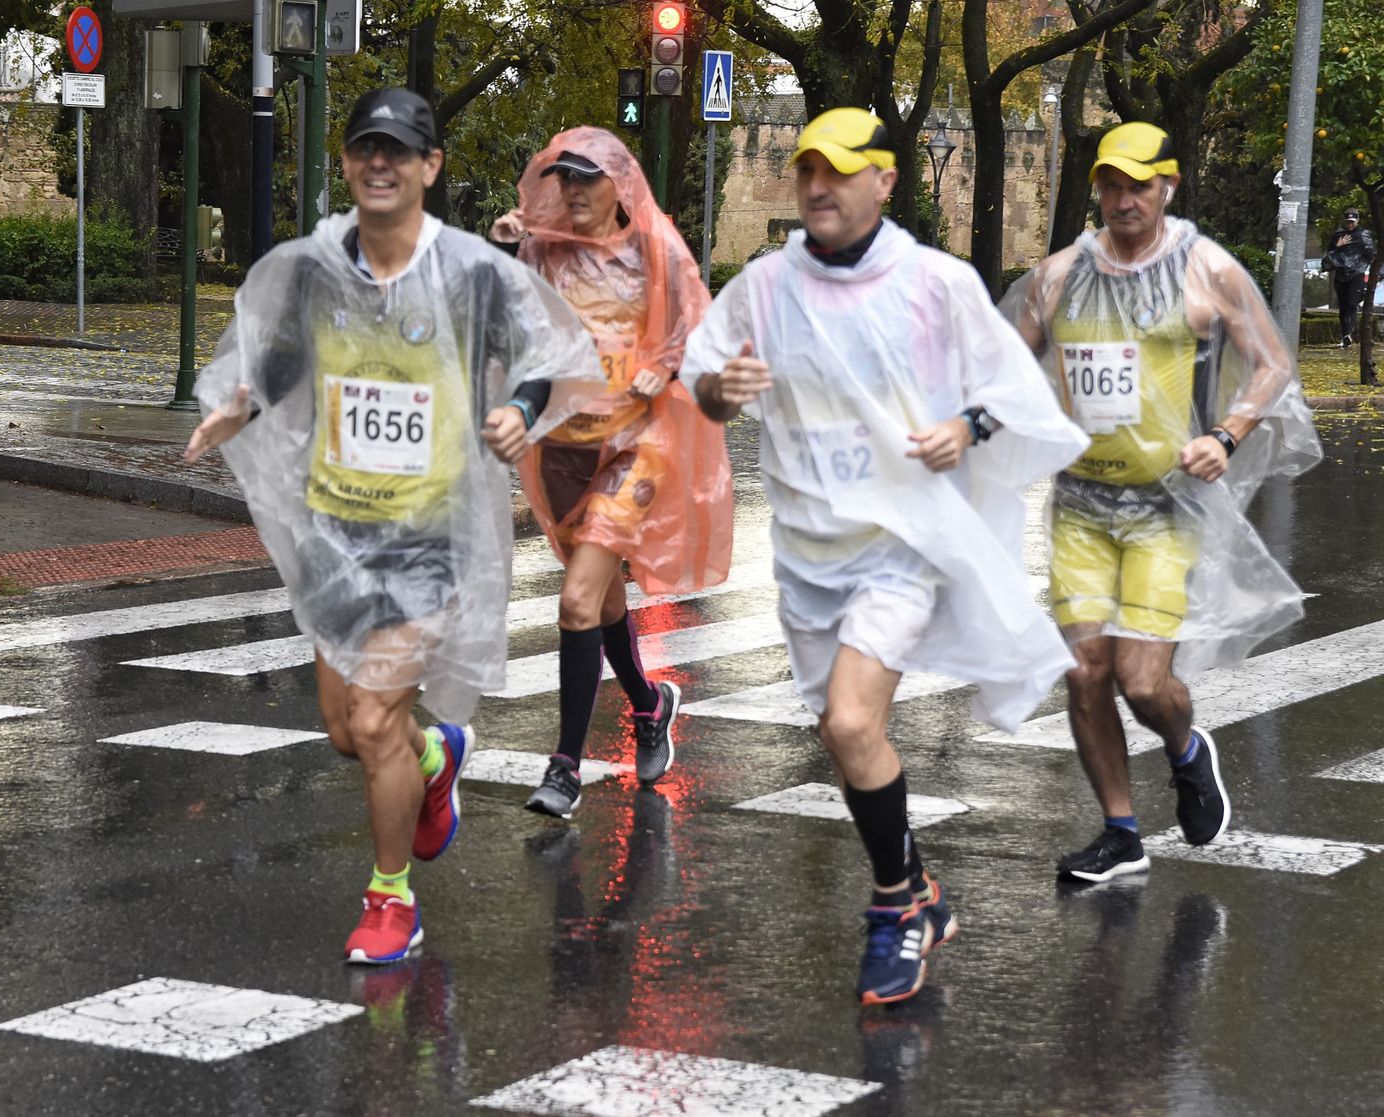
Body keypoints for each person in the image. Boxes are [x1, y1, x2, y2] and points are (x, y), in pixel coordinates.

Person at [184, 88, 603, 965]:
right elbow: (286, 355)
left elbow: (549, 355)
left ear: (430, 167)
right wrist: (245, 403)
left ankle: (391, 900)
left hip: (428, 537)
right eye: (366, 149)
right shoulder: (319, 267)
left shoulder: (471, 274)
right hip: (336, 533)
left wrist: (521, 410)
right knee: (349, 731)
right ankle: (438, 757)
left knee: (374, 720)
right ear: (347, 164)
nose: (382, 164)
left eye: (400, 151)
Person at [683, 108, 1088, 1005]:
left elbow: (1011, 388)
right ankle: (919, 887)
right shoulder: (761, 287)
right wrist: (720, 388)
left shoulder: (935, 282)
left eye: (837, 170)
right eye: (805, 172)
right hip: (807, 551)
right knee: (841, 730)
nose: (818, 186)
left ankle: (897, 909)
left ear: (884, 181)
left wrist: (965, 426)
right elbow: (704, 388)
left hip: (903, 542)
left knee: (855, 722)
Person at [1007, 122, 1321, 886]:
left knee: (1143, 683)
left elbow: (1272, 362)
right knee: (1084, 673)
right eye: (1110, 186)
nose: (1121, 201)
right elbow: (997, 364)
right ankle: (1121, 831)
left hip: (1165, 508)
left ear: (1167, 187)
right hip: (1080, 505)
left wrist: (1226, 433)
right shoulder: (1058, 277)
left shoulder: (1204, 269)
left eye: (1136, 187)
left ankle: (1186, 750)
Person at [489, 128, 732, 819]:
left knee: (574, 601)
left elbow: (698, 328)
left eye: (587, 178)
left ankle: (565, 764)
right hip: (564, 446)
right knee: (599, 601)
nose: (572, 191)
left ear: (618, 185)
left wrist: (667, 362)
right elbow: (501, 316)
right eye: (563, 178)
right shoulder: (543, 249)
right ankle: (651, 703)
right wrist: (504, 249)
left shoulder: (653, 248)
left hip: (636, 449)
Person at [1322, 206, 1375, 348]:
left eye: (1352, 221)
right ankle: (1346, 335)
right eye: (1348, 222)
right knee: (1344, 307)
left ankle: (1349, 334)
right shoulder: (1338, 235)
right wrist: (1338, 246)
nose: (1350, 224)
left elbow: (1372, 254)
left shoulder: (1364, 235)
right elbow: (1328, 257)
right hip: (1341, 275)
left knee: (1352, 304)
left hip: (1357, 274)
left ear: (1357, 220)